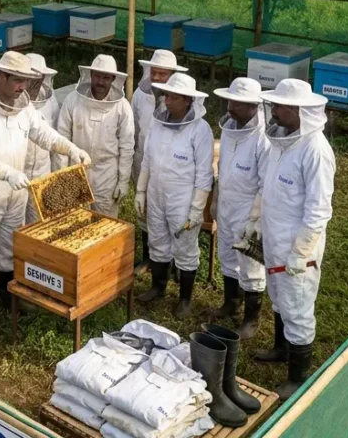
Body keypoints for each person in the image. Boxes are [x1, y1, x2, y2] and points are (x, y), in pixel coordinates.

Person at [0, 51, 91, 337]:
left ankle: (7, 299)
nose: (22, 87)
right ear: (1, 77)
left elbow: (43, 134)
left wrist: (71, 149)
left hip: (15, 193)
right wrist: (6, 172)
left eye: (24, 81)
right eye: (17, 80)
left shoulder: (24, 108)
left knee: (9, 247)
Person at [254, 79, 335, 401]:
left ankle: (298, 377)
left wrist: (301, 252)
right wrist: (257, 221)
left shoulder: (315, 150)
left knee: (298, 305)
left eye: (280, 106)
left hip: (298, 245)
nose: (274, 111)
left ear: (298, 111)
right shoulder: (282, 141)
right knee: (278, 296)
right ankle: (281, 348)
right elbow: (270, 187)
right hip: (276, 235)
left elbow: (319, 209)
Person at [135, 72, 213, 317]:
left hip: (183, 199)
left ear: (188, 100)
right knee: (156, 241)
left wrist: (196, 210)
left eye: (174, 98)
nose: (167, 101)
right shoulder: (158, 122)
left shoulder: (200, 131)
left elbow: (204, 175)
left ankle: (185, 300)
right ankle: (157, 287)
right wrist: (140, 191)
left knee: (185, 249)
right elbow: (147, 159)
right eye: (166, 95)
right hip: (157, 193)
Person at [212, 78, 270, 338]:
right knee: (226, 253)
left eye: (236, 102)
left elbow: (265, 184)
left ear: (253, 107)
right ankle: (231, 303)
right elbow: (222, 165)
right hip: (226, 203)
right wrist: (215, 198)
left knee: (250, 264)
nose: (230, 106)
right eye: (230, 100)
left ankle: (251, 318)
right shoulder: (229, 129)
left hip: (248, 209)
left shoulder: (263, 139)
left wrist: (255, 217)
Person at [57, 55, 134, 219]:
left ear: (113, 79)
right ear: (90, 75)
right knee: (75, 221)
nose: (101, 82)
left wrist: (123, 181)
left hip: (107, 172)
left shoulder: (122, 107)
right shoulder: (72, 100)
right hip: (76, 169)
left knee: (104, 223)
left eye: (106, 77)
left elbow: (127, 146)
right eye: (97, 76)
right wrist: (62, 175)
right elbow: (62, 140)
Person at [132, 50, 188, 271]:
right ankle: (149, 258)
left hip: (172, 169)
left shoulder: (182, 102)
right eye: (154, 72)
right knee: (144, 212)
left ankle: (174, 261)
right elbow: (134, 129)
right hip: (143, 162)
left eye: (162, 74)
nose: (156, 78)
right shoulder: (140, 95)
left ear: (172, 75)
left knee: (172, 215)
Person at [23, 53, 61, 223]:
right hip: (17, 172)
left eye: (39, 79)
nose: (35, 84)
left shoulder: (51, 102)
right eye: (31, 78)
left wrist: (55, 173)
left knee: (39, 222)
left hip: (42, 171)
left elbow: (54, 136)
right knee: (13, 224)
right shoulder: (10, 101)